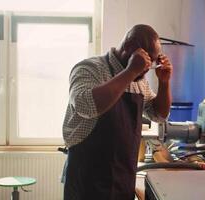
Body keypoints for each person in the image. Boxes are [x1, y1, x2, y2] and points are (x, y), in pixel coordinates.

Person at [62, 24, 172, 200]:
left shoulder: (139, 81)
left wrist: (164, 83)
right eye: (145, 60)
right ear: (129, 46)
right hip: (87, 179)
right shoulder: (89, 68)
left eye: (150, 62)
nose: (146, 68)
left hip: (122, 179)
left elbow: (158, 115)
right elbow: (86, 106)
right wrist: (130, 71)